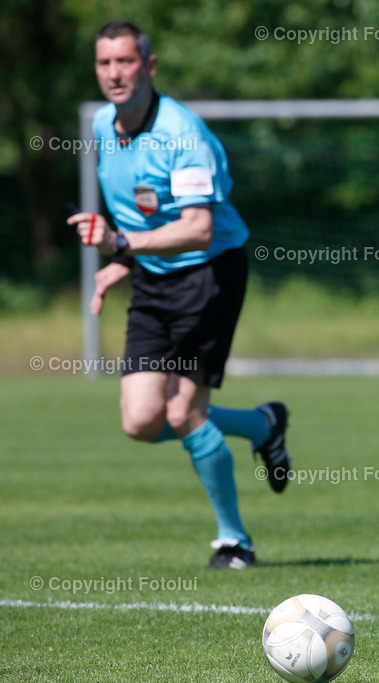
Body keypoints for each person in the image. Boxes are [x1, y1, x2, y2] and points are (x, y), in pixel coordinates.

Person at [68, 20, 291, 569]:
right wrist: (125, 261)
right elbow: (138, 208)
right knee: (141, 421)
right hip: (152, 277)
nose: (114, 73)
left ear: (150, 65)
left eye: (125, 61)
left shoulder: (184, 135)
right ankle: (263, 425)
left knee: (185, 410)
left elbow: (197, 229)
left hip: (208, 276)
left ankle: (233, 540)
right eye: (104, 63)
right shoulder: (102, 123)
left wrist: (120, 243)